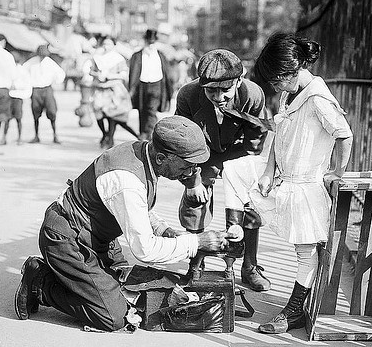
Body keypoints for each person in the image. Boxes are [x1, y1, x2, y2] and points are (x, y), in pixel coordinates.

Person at [13, 116, 233, 331]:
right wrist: (196, 242)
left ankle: (77, 281)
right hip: (66, 240)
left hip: (95, 236)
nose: (192, 172)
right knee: (112, 316)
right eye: (187, 165)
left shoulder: (143, 152)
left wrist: (163, 230)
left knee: (130, 288)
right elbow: (144, 250)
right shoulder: (127, 180)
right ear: (161, 159)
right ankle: (40, 283)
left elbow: (138, 207)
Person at [222, 32, 353, 334]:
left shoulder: (318, 99)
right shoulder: (288, 94)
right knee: (236, 174)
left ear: (291, 72)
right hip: (286, 181)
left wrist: (338, 172)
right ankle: (242, 256)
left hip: (307, 185)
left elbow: (344, 134)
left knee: (305, 252)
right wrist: (268, 171)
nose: (273, 87)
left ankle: (294, 309)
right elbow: (278, 137)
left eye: (276, 81)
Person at [174, 48, 271, 291]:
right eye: (211, 90)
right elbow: (183, 143)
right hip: (202, 151)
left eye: (224, 90)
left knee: (248, 203)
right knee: (195, 200)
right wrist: (193, 181)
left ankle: (249, 267)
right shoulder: (188, 95)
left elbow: (255, 141)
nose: (218, 97)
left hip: (239, 151)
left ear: (239, 80)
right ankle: (195, 265)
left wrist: (243, 179)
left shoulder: (253, 95)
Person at [89, 36, 139, 148]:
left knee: (113, 115)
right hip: (100, 89)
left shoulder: (118, 59)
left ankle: (110, 139)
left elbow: (124, 74)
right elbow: (91, 71)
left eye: (109, 44)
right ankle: (104, 134)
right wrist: (98, 75)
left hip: (114, 89)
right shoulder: (97, 58)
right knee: (98, 114)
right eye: (105, 44)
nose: (107, 46)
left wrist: (110, 76)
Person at [128, 29, 174, 140]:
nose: (151, 45)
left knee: (151, 111)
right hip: (141, 86)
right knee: (142, 109)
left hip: (157, 86)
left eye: (153, 43)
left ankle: (150, 134)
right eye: (149, 42)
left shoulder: (160, 56)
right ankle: (143, 133)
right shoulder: (137, 56)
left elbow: (167, 73)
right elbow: (132, 74)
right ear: (144, 41)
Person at [24, 45, 66, 144]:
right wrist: (27, 84)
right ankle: (36, 135)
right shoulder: (32, 62)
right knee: (35, 112)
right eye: (40, 55)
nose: (42, 57)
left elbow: (60, 74)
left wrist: (57, 81)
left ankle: (55, 135)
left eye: (44, 55)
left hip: (47, 89)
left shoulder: (50, 63)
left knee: (52, 112)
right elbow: (23, 71)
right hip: (36, 90)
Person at [0, 53, 32, 145]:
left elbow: (26, 84)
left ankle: (19, 137)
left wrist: (15, 86)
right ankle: (4, 137)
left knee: (18, 118)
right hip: (9, 96)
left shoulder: (22, 71)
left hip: (18, 96)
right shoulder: (8, 70)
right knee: (7, 118)